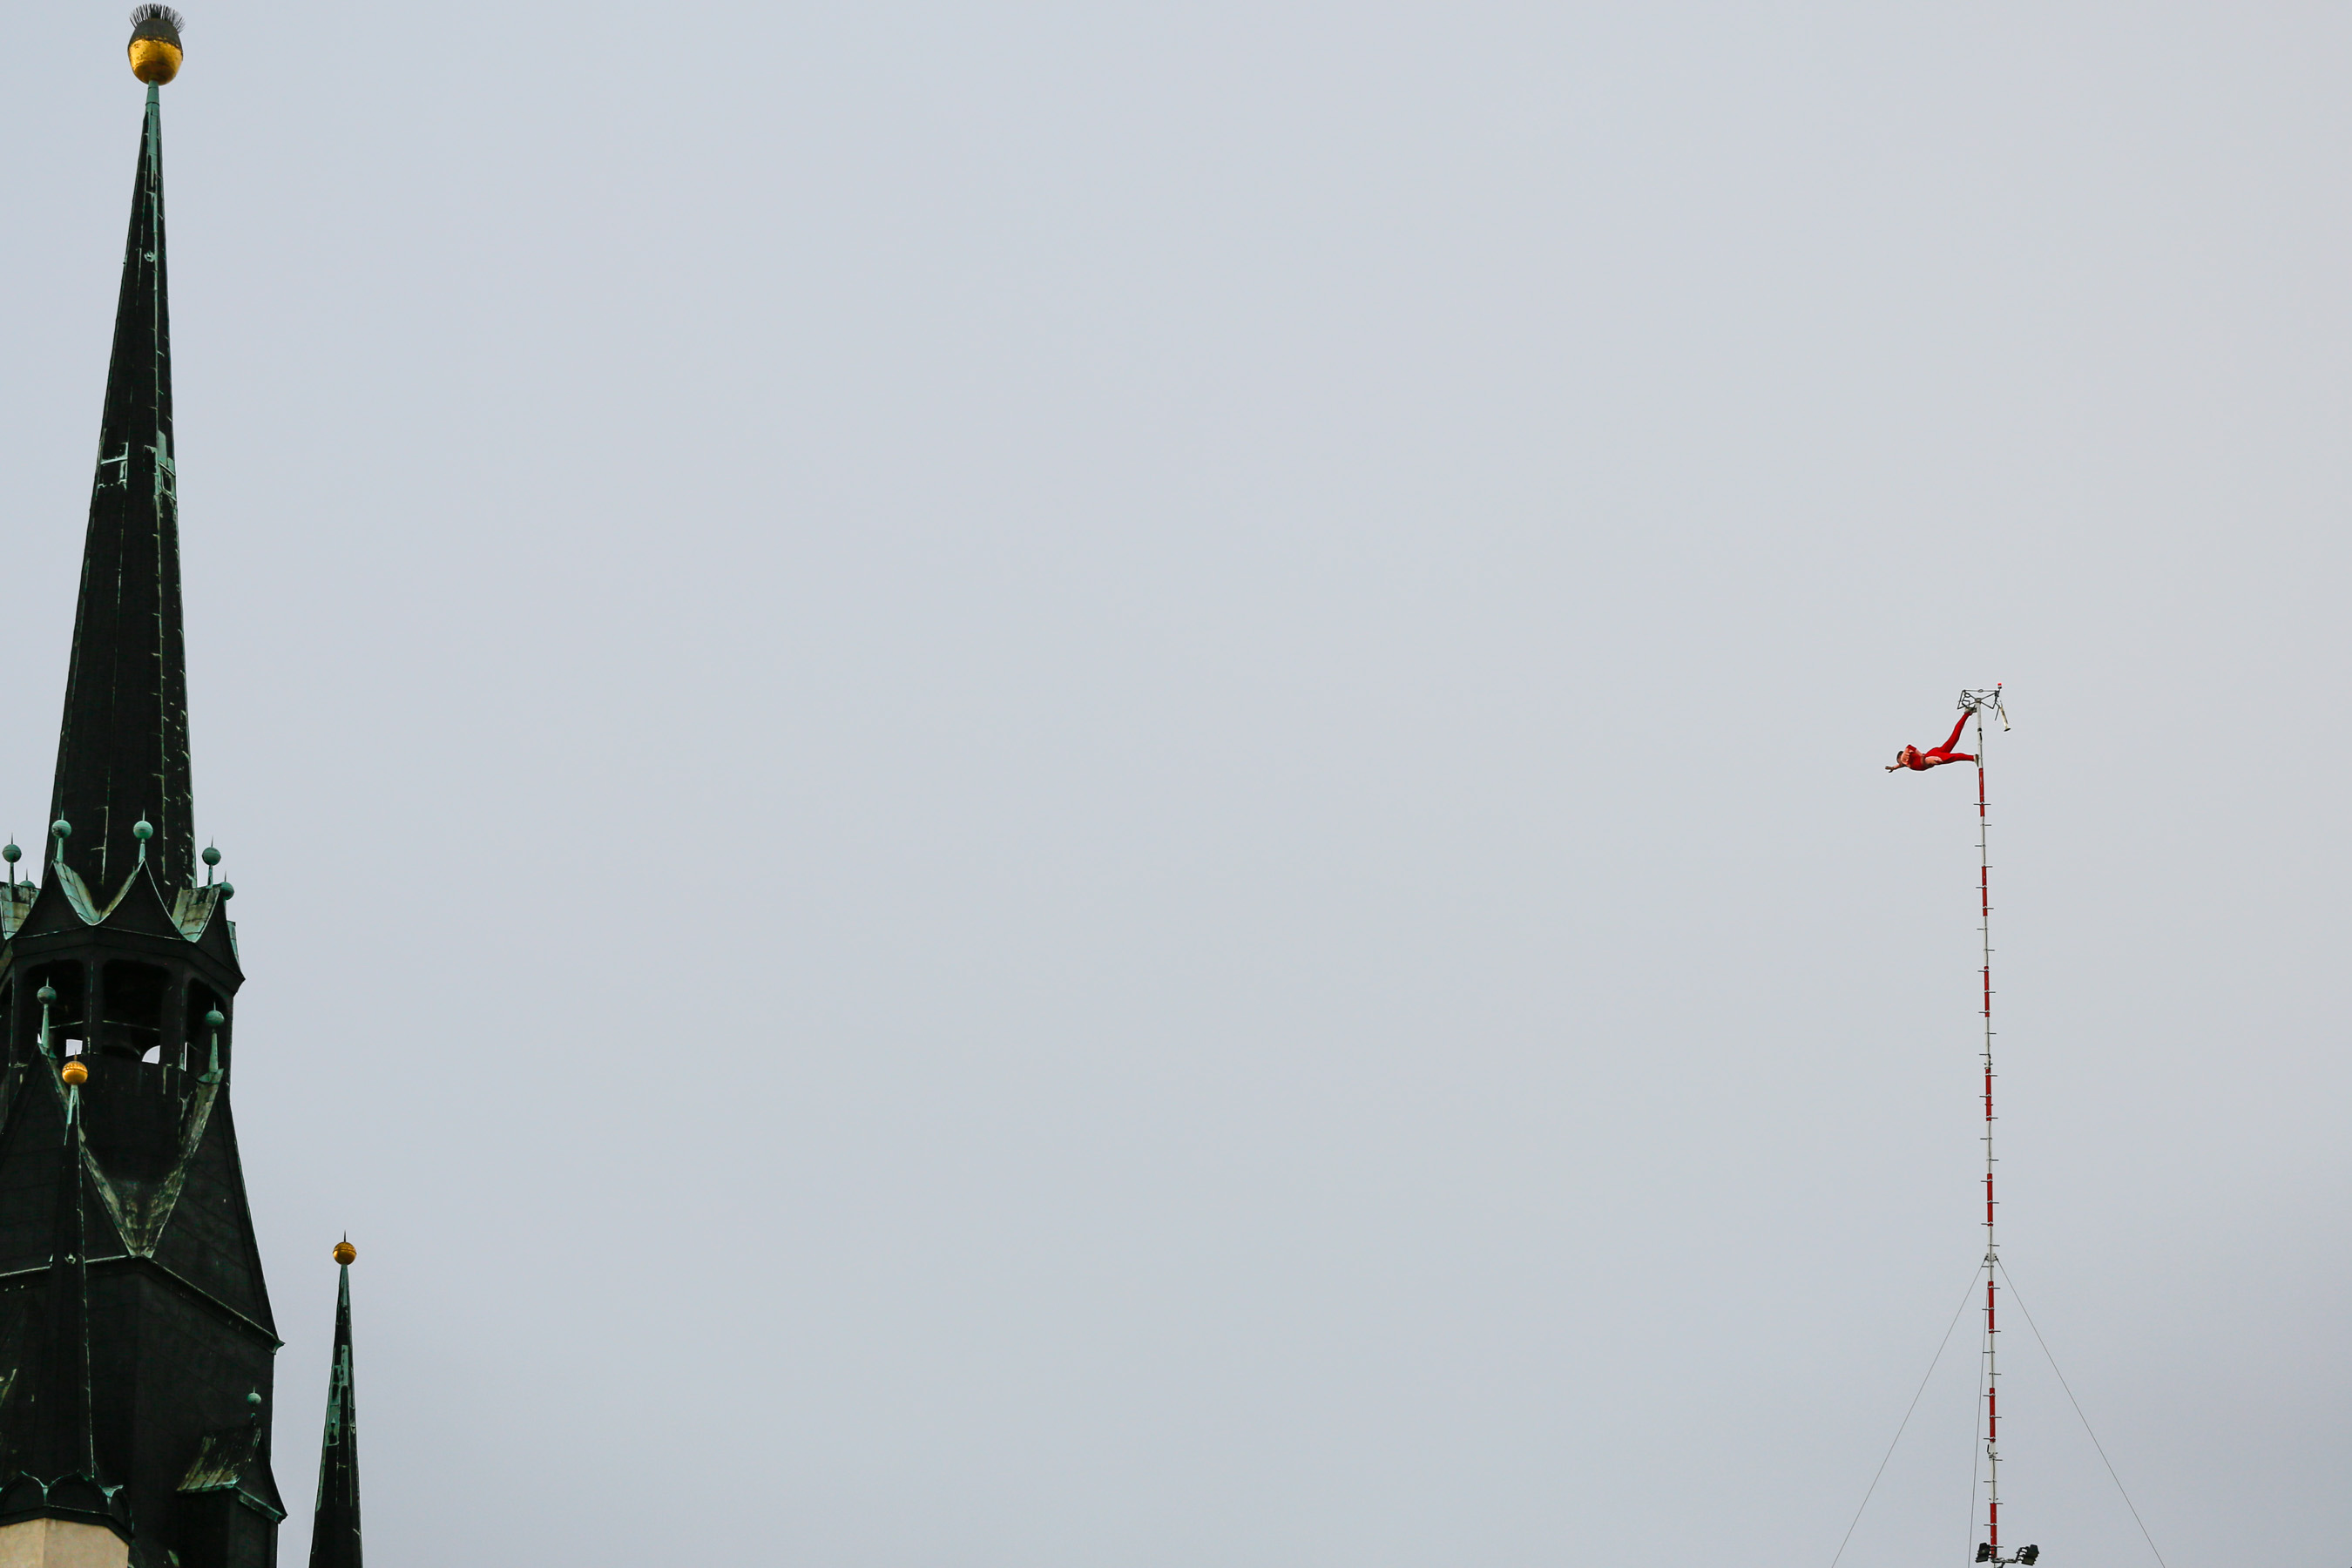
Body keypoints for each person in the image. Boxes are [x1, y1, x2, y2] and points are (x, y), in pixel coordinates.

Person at [1887, 712, 1976, 772]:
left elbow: (1909, 747)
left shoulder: (1904, 759)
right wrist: (1894, 768)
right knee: (1954, 738)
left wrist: (1920, 754)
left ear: (1900, 758)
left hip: (1929, 758)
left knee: (1953, 757)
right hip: (1932, 753)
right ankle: (1966, 714)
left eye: (1899, 762)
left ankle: (1973, 758)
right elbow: (1901, 765)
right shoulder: (1906, 763)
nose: (1900, 763)